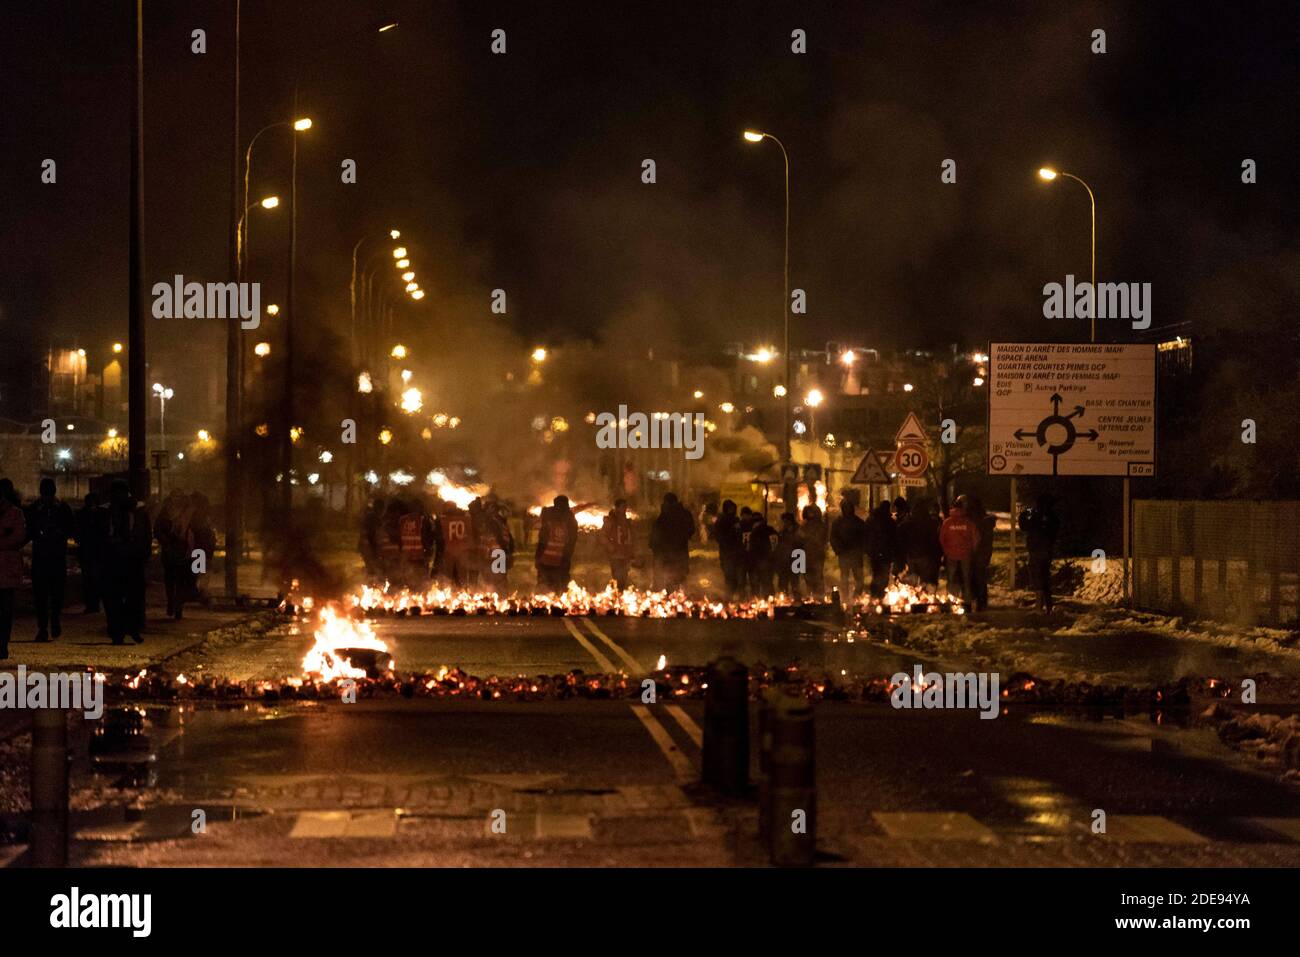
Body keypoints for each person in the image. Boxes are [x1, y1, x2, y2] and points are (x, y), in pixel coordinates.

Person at [25, 477, 75, 642]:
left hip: (50, 555)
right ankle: (46, 625)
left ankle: (49, 622)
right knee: (44, 594)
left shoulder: (42, 509)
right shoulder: (46, 509)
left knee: (51, 593)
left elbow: (70, 528)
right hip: (48, 556)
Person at [101, 480, 150, 645]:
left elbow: (145, 535)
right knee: (117, 598)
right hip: (116, 560)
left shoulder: (136, 512)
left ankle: (125, 629)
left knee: (129, 598)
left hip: (129, 559)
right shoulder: (109, 512)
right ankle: (119, 631)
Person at [1019, 494, 1060, 613]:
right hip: (1047, 550)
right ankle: (1048, 605)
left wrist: (1024, 514)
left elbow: (1024, 526)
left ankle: (1039, 606)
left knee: (1037, 577)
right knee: (1045, 576)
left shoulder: (1036, 517)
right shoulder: (1052, 518)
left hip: (1036, 550)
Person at [0, 479, 26, 659]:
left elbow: (18, 537)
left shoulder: (15, 513)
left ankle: (2, 643)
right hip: (7, 565)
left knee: (5, 609)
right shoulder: (15, 513)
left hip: (7, 568)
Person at [649, 492, 696, 592]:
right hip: (678, 551)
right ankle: (678, 597)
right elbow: (691, 530)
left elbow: (657, 533)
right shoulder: (683, 513)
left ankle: (674, 597)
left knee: (671, 576)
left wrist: (655, 548)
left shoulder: (666, 514)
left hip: (669, 552)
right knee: (677, 576)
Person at [154, 490, 190, 619]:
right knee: (171, 579)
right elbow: (157, 530)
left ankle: (177, 605)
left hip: (181, 550)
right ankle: (172, 602)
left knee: (179, 579)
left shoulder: (186, 513)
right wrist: (166, 541)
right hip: (171, 550)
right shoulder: (164, 514)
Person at [940, 495, 980, 605]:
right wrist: (972, 551)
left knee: (951, 578)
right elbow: (976, 538)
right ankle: (967, 600)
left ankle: (951, 600)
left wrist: (946, 551)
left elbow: (942, 539)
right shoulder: (968, 522)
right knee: (966, 578)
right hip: (965, 554)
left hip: (951, 555)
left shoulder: (947, 523)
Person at [535, 495, 578, 593]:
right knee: (559, 585)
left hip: (546, 558)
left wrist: (538, 557)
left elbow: (542, 538)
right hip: (559, 559)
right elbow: (572, 540)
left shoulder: (548, 515)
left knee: (545, 584)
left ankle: (542, 603)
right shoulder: (570, 519)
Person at [899, 498, 942, 586]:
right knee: (924, 580)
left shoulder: (908, 523)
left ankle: (915, 596)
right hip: (924, 555)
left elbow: (901, 537)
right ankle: (924, 595)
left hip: (911, 555)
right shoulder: (930, 523)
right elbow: (934, 540)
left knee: (914, 579)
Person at [830, 498, 866, 601]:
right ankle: (848, 598)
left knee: (856, 579)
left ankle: (855, 597)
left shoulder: (857, 522)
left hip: (853, 554)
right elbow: (833, 538)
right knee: (846, 578)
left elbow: (864, 537)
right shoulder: (840, 522)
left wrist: (860, 550)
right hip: (846, 554)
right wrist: (839, 550)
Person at [477, 495, 514, 593]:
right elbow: (510, 539)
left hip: (496, 553)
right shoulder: (501, 521)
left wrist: (505, 551)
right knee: (496, 579)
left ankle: (501, 599)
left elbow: (498, 536)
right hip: (497, 554)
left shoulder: (493, 521)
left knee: (497, 580)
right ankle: (499, 598)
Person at [75, 492, 103, 613]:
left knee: (91, 579)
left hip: (92, 550)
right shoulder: (94, 514)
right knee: (91, 578)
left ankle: (93, 604)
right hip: (91, 550)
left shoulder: (85, 514)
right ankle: (92, 604)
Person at [863, 500, 896, 599]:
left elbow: (865, 535)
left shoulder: (872, 519)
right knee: (882, 574)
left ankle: (876, 594)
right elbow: (893, 538)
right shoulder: (889, 522)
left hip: (876, 553)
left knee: (877, 573)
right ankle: (878, 594)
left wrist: (868, 549)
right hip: (884, 553)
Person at [712, 499, 744, 600]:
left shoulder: (736, 520)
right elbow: (720, 538)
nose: (732, 511)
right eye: (730, 509)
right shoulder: (721, 521)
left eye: (733, 509)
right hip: (727, 553)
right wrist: (731, 532)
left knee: (737, 577)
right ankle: (729, 597)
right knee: (729, 576)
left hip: (737, 553)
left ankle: (734, 596)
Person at [969, 497, 996, 612]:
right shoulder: (985, 520)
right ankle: (981, 602)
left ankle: (978, 601)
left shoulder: (975, 520)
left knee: (976, 577)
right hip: (984, 552)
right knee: (980, 577)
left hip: (977, 552)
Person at [602, 499, 634, 590]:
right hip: (615, 556)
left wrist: (632, 553)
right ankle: (615, 598)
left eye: (625, 506)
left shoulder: (627, 522)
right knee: (617, 579)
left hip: (626, 556)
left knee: (623, 579)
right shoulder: (611, 521)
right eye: (623, 506)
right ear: (617, 508)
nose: (625, 508)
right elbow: (602, 536)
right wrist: (610, 547)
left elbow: (631, 539)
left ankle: (620, 596)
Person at [743, 510, 776, 598]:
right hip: (766, 563)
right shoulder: (770, 530)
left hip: (757, 563)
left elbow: (750, 549)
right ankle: (768, 603)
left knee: (757, 586)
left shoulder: (754, 532)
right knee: (766, 585)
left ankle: (760, 603)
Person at [801, 504, 828, 598]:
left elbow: (821, 540)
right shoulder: (804, 525)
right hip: (805, 555)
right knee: (807, 578)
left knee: (817, 577)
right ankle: (810, 596)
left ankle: (818, 596)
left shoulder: (820, 525)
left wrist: (808, 536)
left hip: (816, 555)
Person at [774, 512, 804, 597]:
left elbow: (801, 544)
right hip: (785, 560)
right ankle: (784, 599)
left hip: (796, 558)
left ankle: (797, 600)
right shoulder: (783, 531)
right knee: (783, 582)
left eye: (785, 521)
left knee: (795, 582)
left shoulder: (798, 530)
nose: (784, 523)